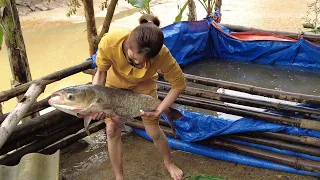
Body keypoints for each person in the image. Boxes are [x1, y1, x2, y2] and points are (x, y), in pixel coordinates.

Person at [91, 14, 186, 180]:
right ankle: (119, 176)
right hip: (114, 86)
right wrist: (95, 103)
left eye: (148, 62)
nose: (143, 66)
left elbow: (179, 84)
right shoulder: (109, 42)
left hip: (144, 87)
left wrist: (160, 110)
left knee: (153, 131)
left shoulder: (162, 53)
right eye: (136, 61)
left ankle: (168, 162)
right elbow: (100, 73)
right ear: (128, 48)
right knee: (112, 130)